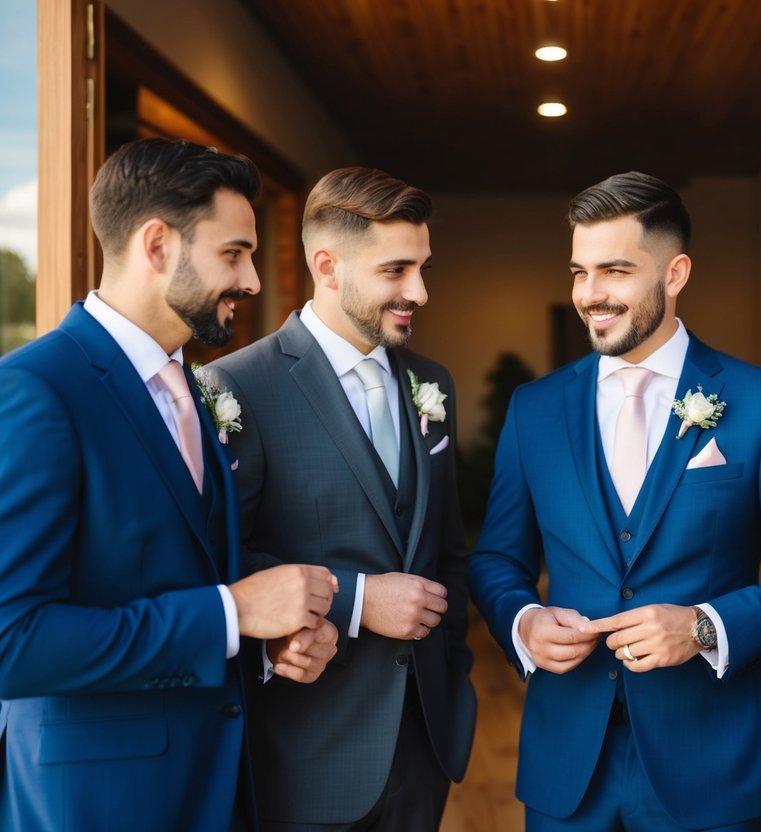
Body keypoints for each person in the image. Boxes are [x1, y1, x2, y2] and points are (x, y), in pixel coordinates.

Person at [469, 171, 761, 831]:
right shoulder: (534, 408)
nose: (591, 294)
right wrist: (522, 622)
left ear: (674, 274)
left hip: (712, 765)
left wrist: (704, 627)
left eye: (615, 270)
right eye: (579, 271)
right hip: (567, 768)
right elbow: (496, 558)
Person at [0, 137, 339, 832]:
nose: (250, 279)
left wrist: (270, 638)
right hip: (100, 805)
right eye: (232, 253)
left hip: (219, 787)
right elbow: (13, 641)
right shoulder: (38, 390)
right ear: (158, 245)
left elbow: (189, 567)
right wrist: (230, 615)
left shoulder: (191, 383)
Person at [208, 166, 476, 831]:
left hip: (423, 745)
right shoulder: (235, 387)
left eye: (423, 267)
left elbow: (446, 546)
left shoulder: (430, 382)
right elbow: (218, 560)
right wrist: (357, 602)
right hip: (307, 746)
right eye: (395, 270)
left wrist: (455, 675)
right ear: (327, 266)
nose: (418, 289)